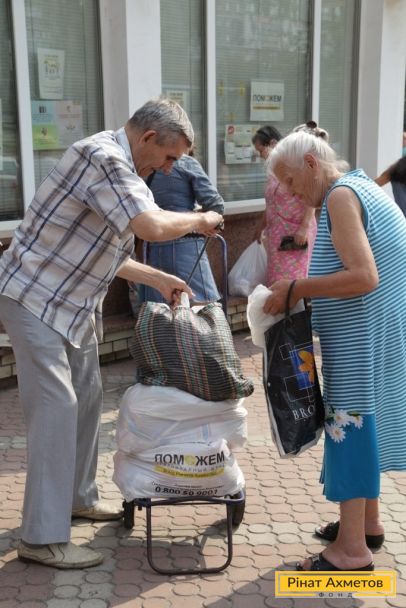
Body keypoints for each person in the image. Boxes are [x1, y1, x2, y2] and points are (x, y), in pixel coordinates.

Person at [0, 98, 223, 569]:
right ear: (147, 137)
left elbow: (102, 250)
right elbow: (151, 225)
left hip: (72, 303)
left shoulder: (126, 168)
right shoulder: (102, 157)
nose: (170, 168)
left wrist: (157, 278)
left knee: (86, 398)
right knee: (57, 407)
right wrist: (201, 219)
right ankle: (40, 537)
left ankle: (77, 499)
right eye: (169, 157)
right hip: (34, 297)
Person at [263, 131, 406, 572]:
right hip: (379, 337)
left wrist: (296, 288)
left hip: (361, 343)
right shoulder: (362, 187)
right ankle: (367, 525)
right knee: (365, 428)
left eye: (290, 181)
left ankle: (351, 552)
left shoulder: (341, 198)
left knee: (350, 430)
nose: (290, 193)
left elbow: (364, 276)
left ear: (311, 163)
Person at [139, 150, 225, 303]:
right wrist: (206, 223)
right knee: (202, 308)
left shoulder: (144, 165)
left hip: (152, 248)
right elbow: (215, 204)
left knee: (159, 310)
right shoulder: (186, 162)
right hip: (186, 246)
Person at [252, 123, 318, 285]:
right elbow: (271, 203)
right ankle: (282, 302)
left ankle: (296, 302)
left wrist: (304, 227)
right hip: (277, 233)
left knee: (295, 278)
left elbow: (311, 195)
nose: (260, 156)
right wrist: (261, 227)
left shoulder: (294, 164)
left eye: (261, 150)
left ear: (273, 143)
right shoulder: (273, 170)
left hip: (296, 234)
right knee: (277, 278)